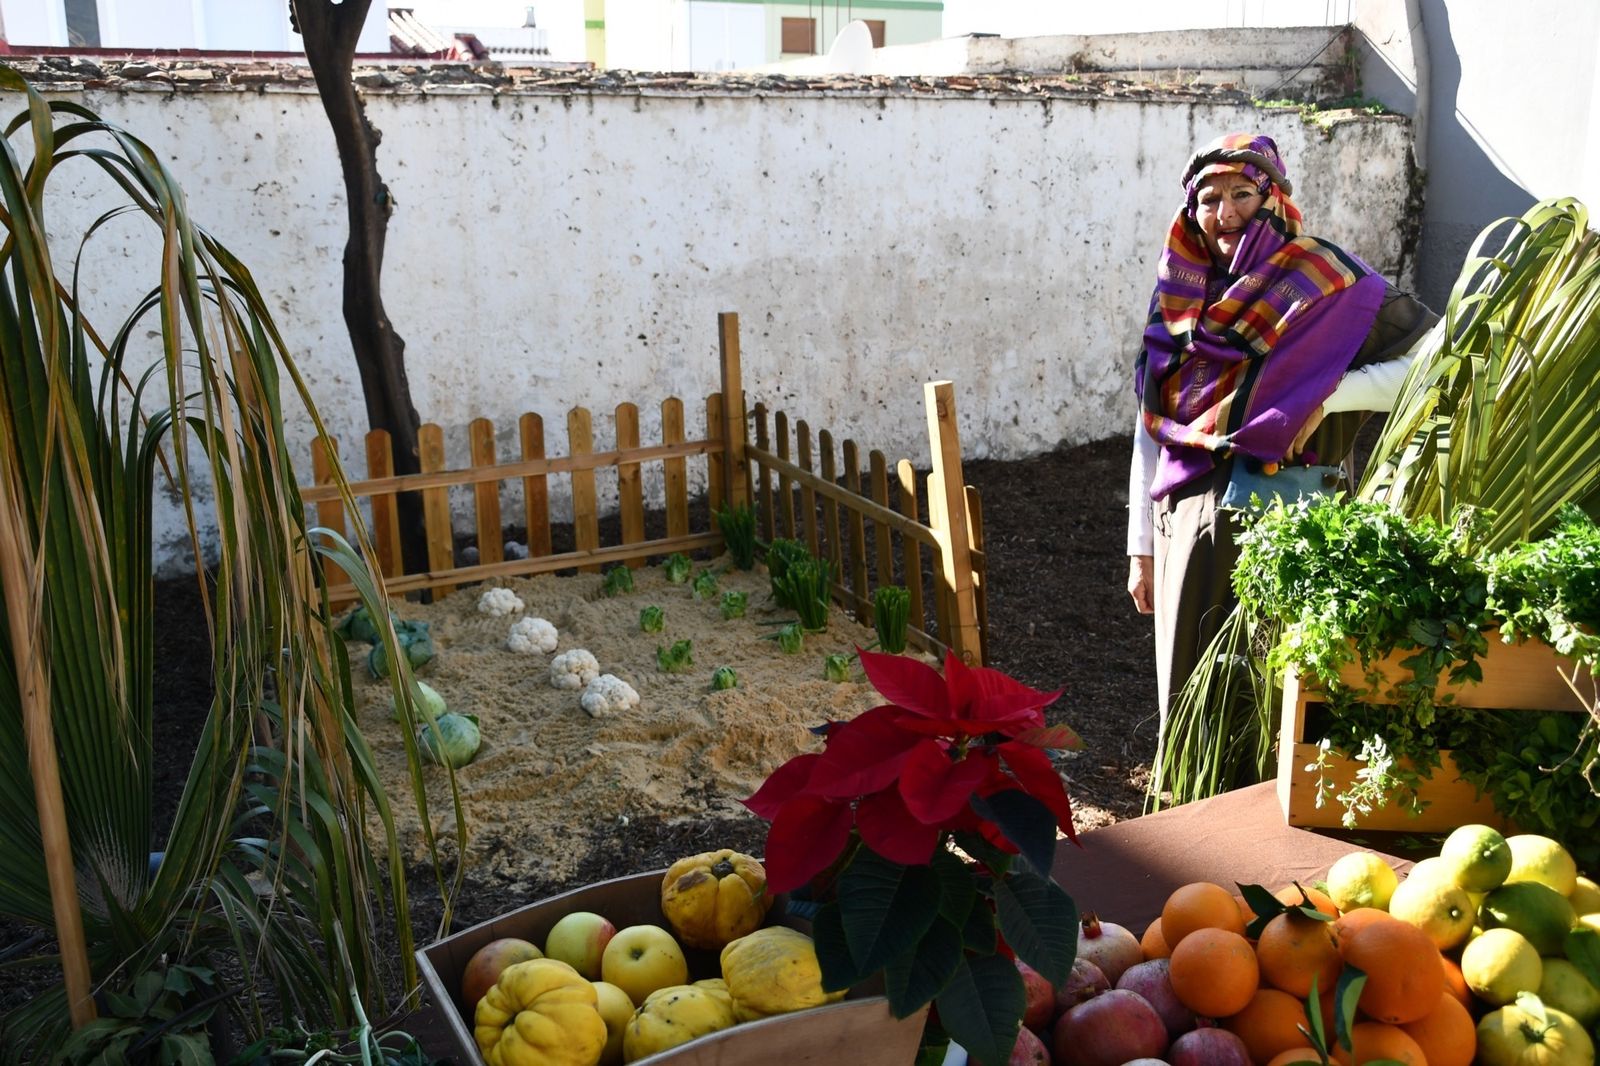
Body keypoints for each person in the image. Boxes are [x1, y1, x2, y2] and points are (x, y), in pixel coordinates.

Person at [1126, 132, 1436, 734]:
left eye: (1242, 192)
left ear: (1274, 198)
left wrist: (1330, 398)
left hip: (1294, 521)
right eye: (1208, 198)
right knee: (1194, 705)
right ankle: (1197, 822)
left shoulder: (1327, 282)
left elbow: (1435, 355)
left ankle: (1280, 820)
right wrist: (1140, 546)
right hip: (1189, 528)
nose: (1226, 212)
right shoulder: (1179, 301)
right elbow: (1150, 429)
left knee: (1283, 689)